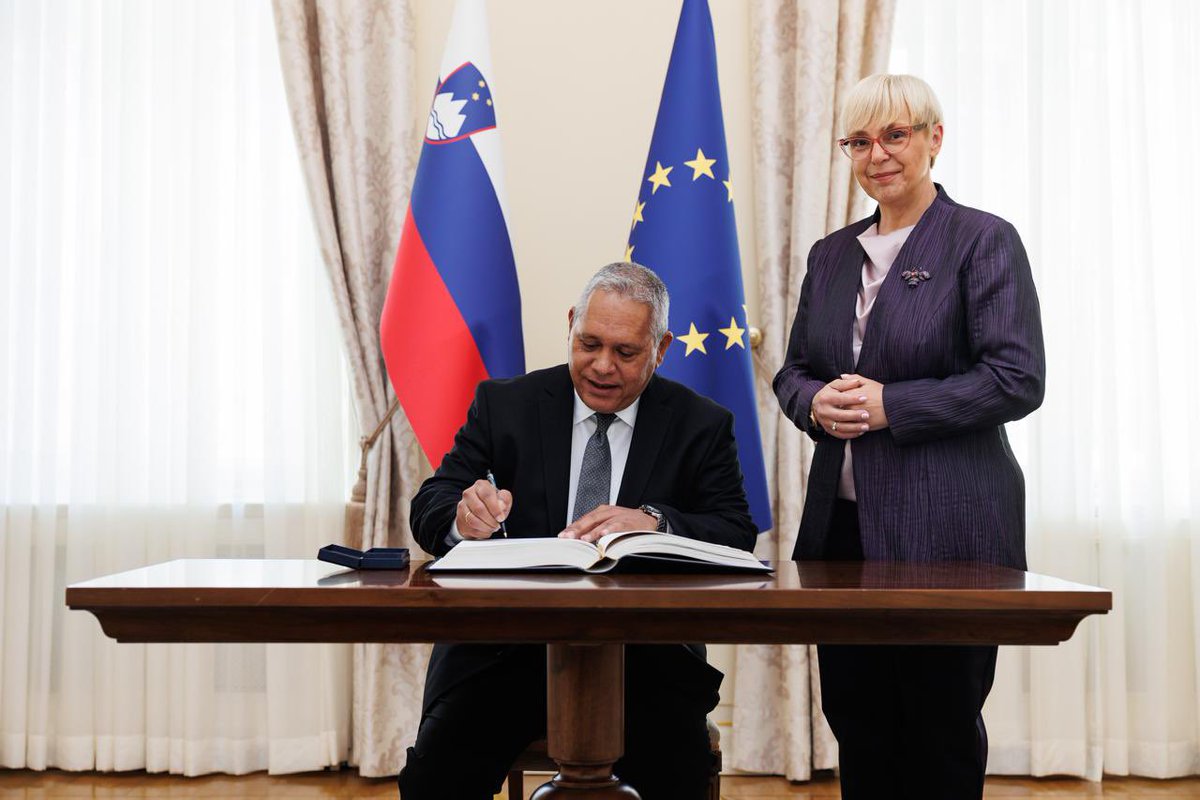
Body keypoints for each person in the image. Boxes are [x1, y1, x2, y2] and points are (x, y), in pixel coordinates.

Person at [774, 74, 1045, 799]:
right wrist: (814, 402)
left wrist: (895, 406)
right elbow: (793, 371)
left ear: (934, 139)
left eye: (895, 135)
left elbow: (1017, 378)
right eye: (859, 141)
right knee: (858, 720)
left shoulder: (982, 240)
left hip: (947, 529)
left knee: (939, 727)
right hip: (842, 532)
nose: (878, 155)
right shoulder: (831, 254)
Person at [398, 261, 758, 800]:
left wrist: (656, 522)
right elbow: (431, 503)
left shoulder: (700, 424)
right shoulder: (505, 405)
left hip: (646, 662)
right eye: (589, 343)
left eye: (626, 352)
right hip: (503, 654)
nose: (602, 366)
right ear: (570, 324)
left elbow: (735, 530)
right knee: (436, 778)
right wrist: (462, 517)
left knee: (675, 775)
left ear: (660, 349)